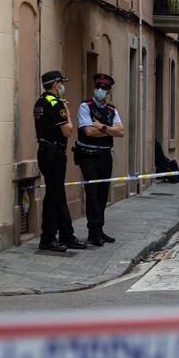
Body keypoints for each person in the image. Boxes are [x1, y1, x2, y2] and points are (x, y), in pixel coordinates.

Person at [34, 71, 87, 252]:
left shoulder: (40, 102)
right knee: (53, 196)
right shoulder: (56, 104)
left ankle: (66, 234)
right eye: (61, 83)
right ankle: (48, 238)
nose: (63, 86)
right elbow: (68, 131)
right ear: (56, 84)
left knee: (58, 194)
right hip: (54, 155)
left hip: (45, 152)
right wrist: (69, 114)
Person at [76, 73, 124, 247]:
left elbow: (121, 132)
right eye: (98, 87)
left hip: (105, 156)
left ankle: (99, 229)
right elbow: (88, 132)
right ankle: (92, 232)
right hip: (88, 155)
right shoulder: (85, 106)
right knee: (92, 193)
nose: (100, 90)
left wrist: (100, 126)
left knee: (103, 193)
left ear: (108, 91)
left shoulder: (112, 110)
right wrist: (109, 130)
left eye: (104, 88)